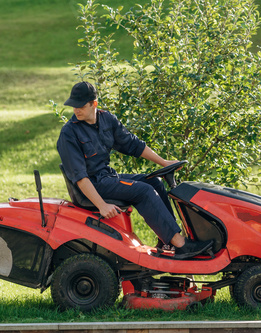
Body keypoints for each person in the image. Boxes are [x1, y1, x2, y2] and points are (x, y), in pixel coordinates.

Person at [56, 81, 212, 259]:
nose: (76, 110)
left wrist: (164, 163)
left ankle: (167, 241)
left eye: (81, 106)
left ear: (94, 104)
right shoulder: (69, 133)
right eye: (73, 105)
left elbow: (133, 145)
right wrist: (102, 205)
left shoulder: (107, 119)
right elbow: (79, 177)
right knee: (143, 191)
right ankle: (181, 244)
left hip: (107, 178)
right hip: (92, 186)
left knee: (154, 181)